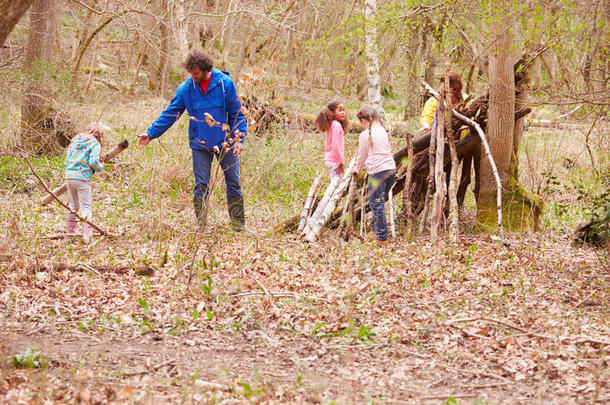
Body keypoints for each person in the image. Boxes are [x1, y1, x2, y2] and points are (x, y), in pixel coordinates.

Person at [137, 50, 248, 230]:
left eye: (195, 73)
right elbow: (170, 114)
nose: (193, 76)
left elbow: (237, 113)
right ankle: (201, 225)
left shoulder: (224, 83)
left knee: (233, 182)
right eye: (190, 73)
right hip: (200, 144)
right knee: (201, 185)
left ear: (205, 69)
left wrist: (239, 139)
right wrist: (151, 133)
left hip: (226, 143)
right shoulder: (186, 89)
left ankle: (238, 225)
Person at [353, 106, 396, 246]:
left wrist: (357, 169)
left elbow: (362, 155)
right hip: (390, 170)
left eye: (361, 123)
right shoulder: (383, 130)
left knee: (376, 204)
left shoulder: (366, 134)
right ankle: (376, 230)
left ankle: (382, 238)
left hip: (378, 171)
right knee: (379, 201)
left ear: (364, 120)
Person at [64, 123, 105, 243]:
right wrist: (100, 166)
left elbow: (67, 160)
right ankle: (87, 236)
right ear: (99, 136)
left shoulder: (75, 142)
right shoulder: (95, 144)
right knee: (85, 207)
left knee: (73, 207)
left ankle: (71, 232)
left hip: (69, 176)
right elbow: (93, 161)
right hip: (83, 178)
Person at [418, 71, 468, 137]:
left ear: (456, 87)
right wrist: (426, 124)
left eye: (450, 87)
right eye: (444, 86)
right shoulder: (434, 100)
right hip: (441, 137)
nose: (446, 89)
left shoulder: (466, 100)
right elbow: (426, 116)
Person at [315, 100, 348, 178]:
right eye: (340, 110)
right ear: (332, 113)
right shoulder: (336, 125)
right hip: (335, 160)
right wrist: (341, 162)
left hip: (329, 159)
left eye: (343, 110)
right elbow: (335, 145)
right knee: (336, 184)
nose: (343, 112)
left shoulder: (331, 124)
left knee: (334, 182)